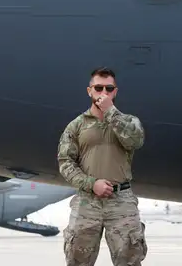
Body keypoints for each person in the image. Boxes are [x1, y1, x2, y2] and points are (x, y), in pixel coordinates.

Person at [57, 67, 148, 266]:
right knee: (77, 259)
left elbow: (135, 141)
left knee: (129, 259)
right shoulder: (76, 126)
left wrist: (110, 112)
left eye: (109, 88)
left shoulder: (129, 121)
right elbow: (65, 163)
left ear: (115, 92)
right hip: (87, 201)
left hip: (121, 200)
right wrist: (92, 184)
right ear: (89, 91)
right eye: (98, 88)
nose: (103, 93)